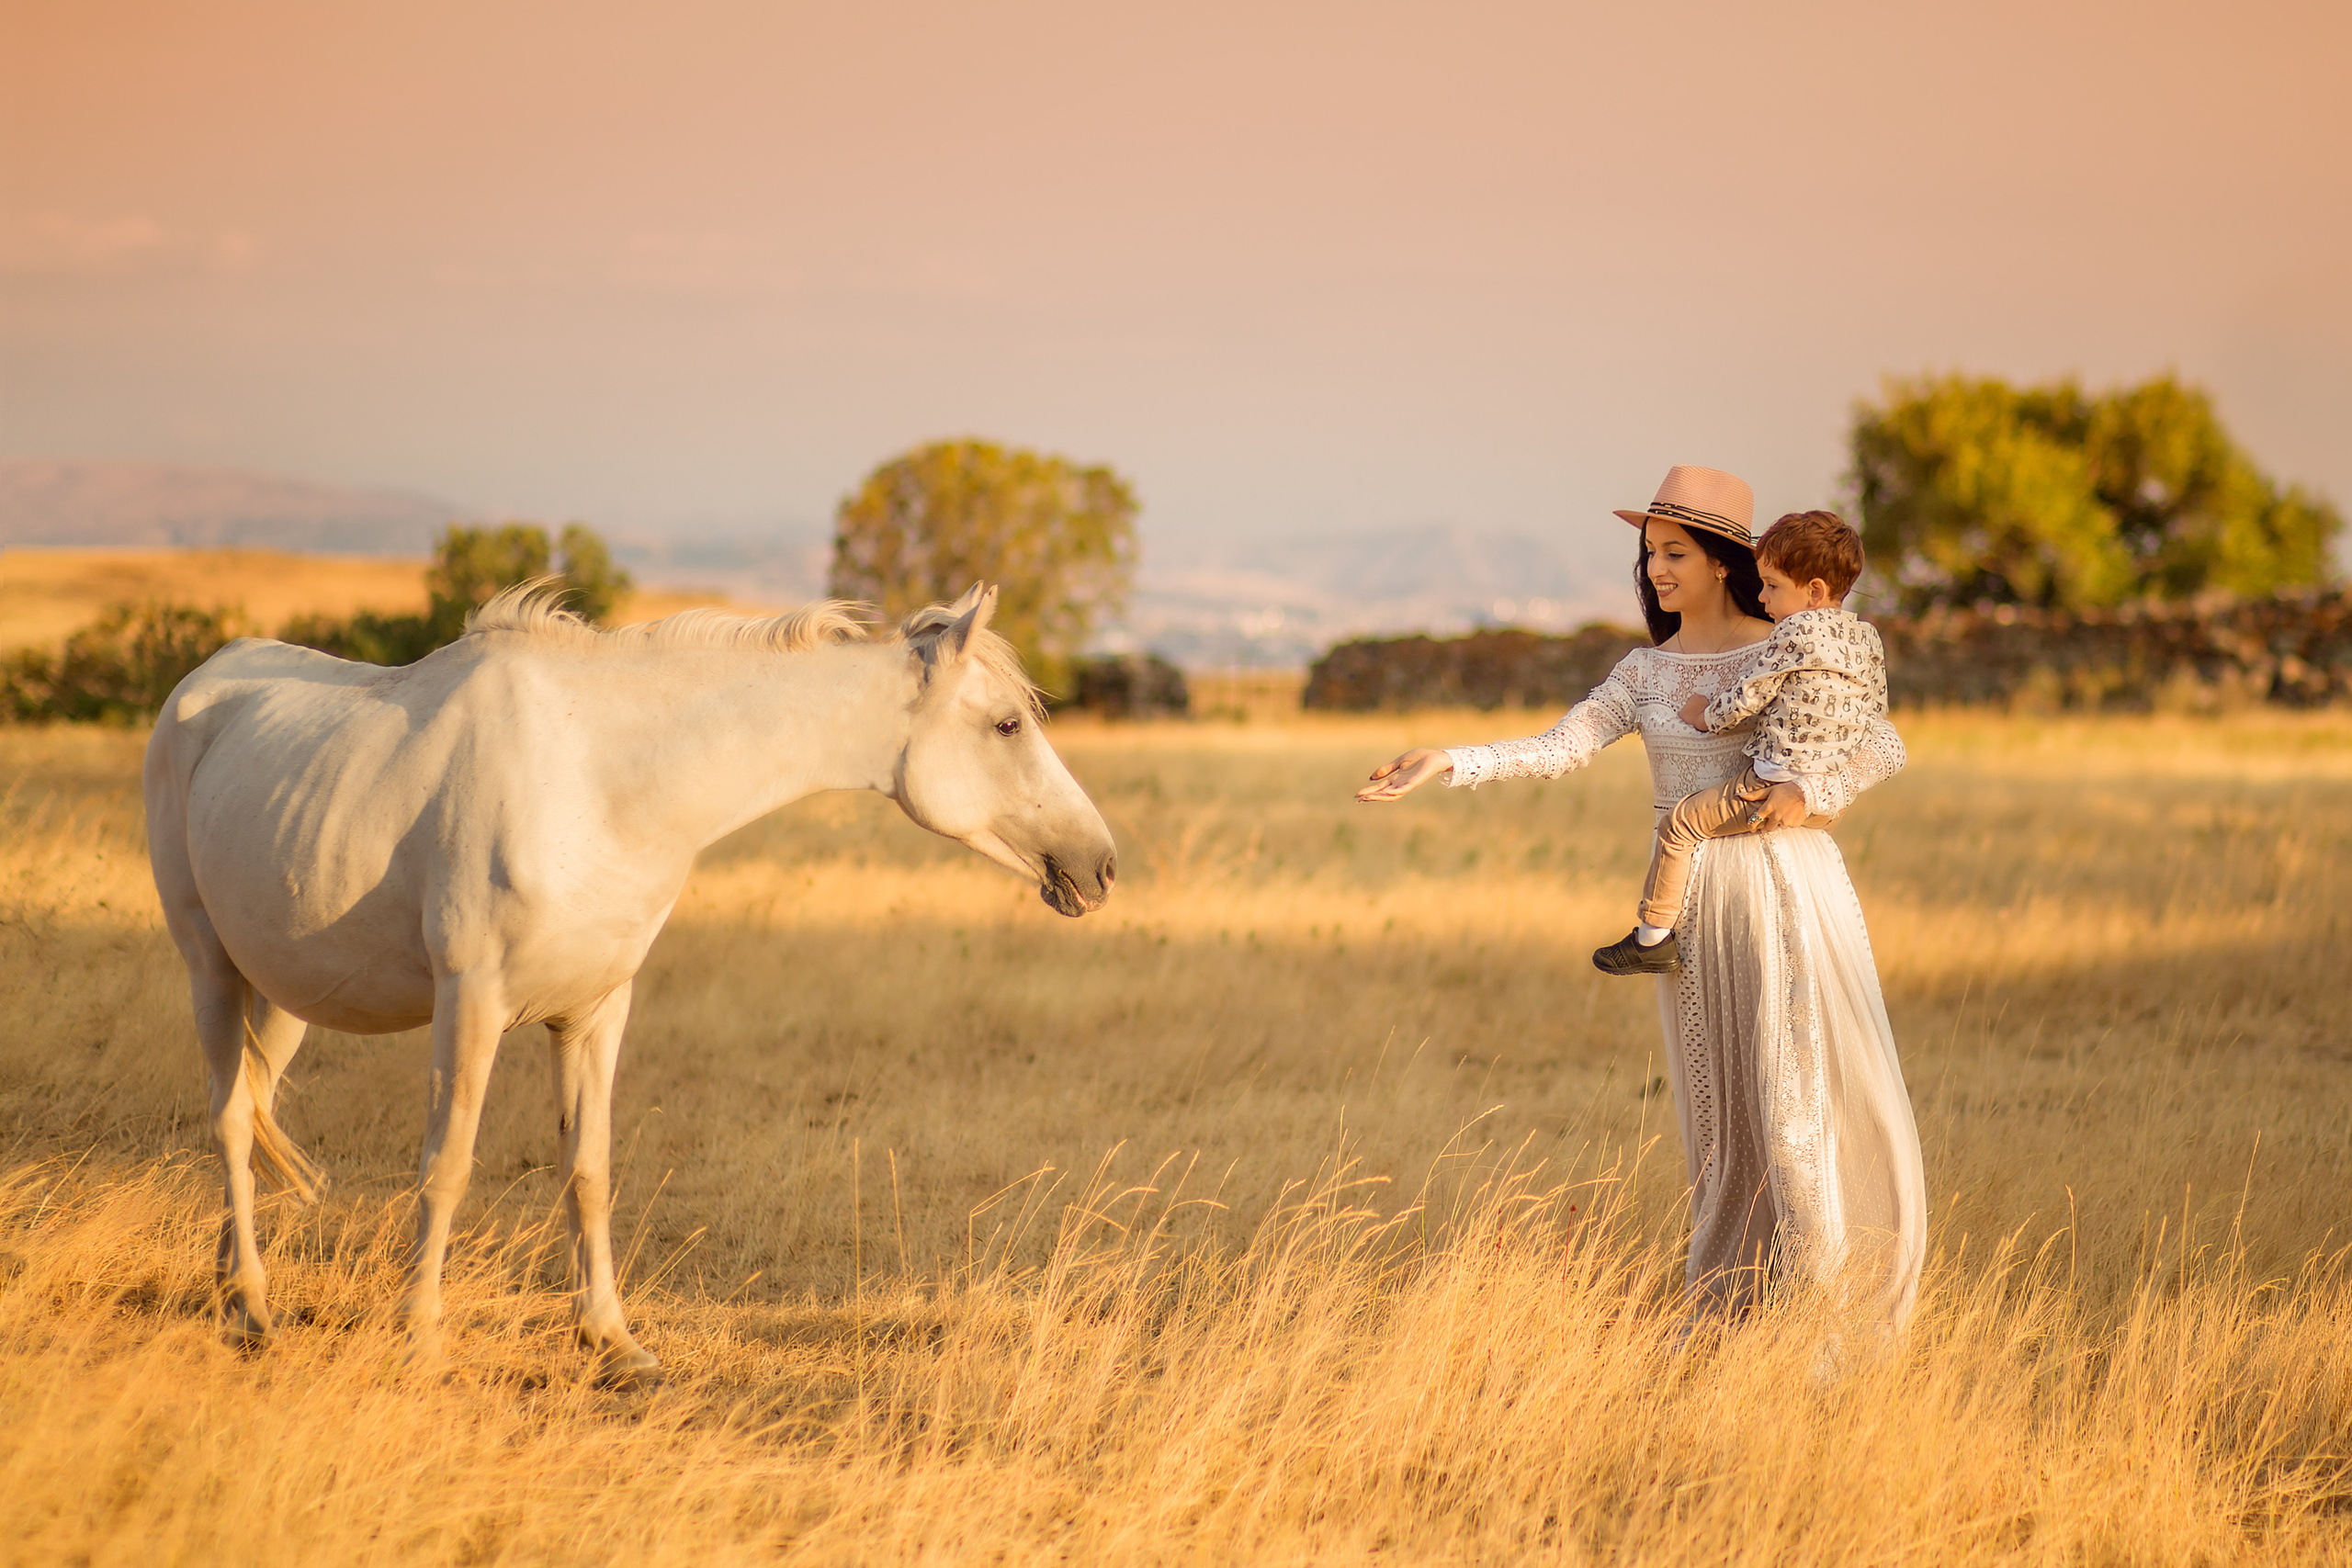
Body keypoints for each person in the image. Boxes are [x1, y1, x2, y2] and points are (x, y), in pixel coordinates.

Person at [1356, 465, 1928, 1335]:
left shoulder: (1792, 640)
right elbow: (1560, 744)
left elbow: (1880, 741)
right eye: (1650, 552)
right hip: (1692, 908)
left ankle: (1821, 1315)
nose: (1656, 570)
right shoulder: (1644, 672)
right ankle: (1734, 1308)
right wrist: (1450, 759)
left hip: (1784, 885)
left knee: (1794, 1099)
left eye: (1675, 552)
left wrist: (1815, 794)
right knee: (1721, 1115)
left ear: (1726, 559)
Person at [1590, 509, 1887, 977]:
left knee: (1681, 822)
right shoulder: (1865, 636)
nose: (1762, 594)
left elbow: (1752, 694)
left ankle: (1651, 936)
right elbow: (1875, 712)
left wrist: (1705, 715)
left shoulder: (1789, 634)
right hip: (1818, 819)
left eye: (1771, 584)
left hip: (1771, 785)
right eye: (1649, 553)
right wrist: (1824, 785)